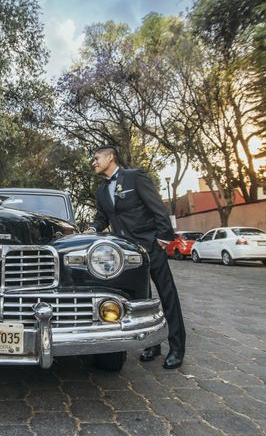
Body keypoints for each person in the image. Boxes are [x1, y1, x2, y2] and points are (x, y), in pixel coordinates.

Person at [85, 146, 186, 369]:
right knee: (141, 299)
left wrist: (163, 238)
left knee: (167, 296)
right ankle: (152, 345)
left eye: (96, 158)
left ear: (110, 157)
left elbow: (157, 207)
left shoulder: (135, 177)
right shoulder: (101, 191)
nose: (93, 162)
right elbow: (102, 218)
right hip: (127, 254)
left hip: (150, 246)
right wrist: (92, 229)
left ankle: (177, 348)